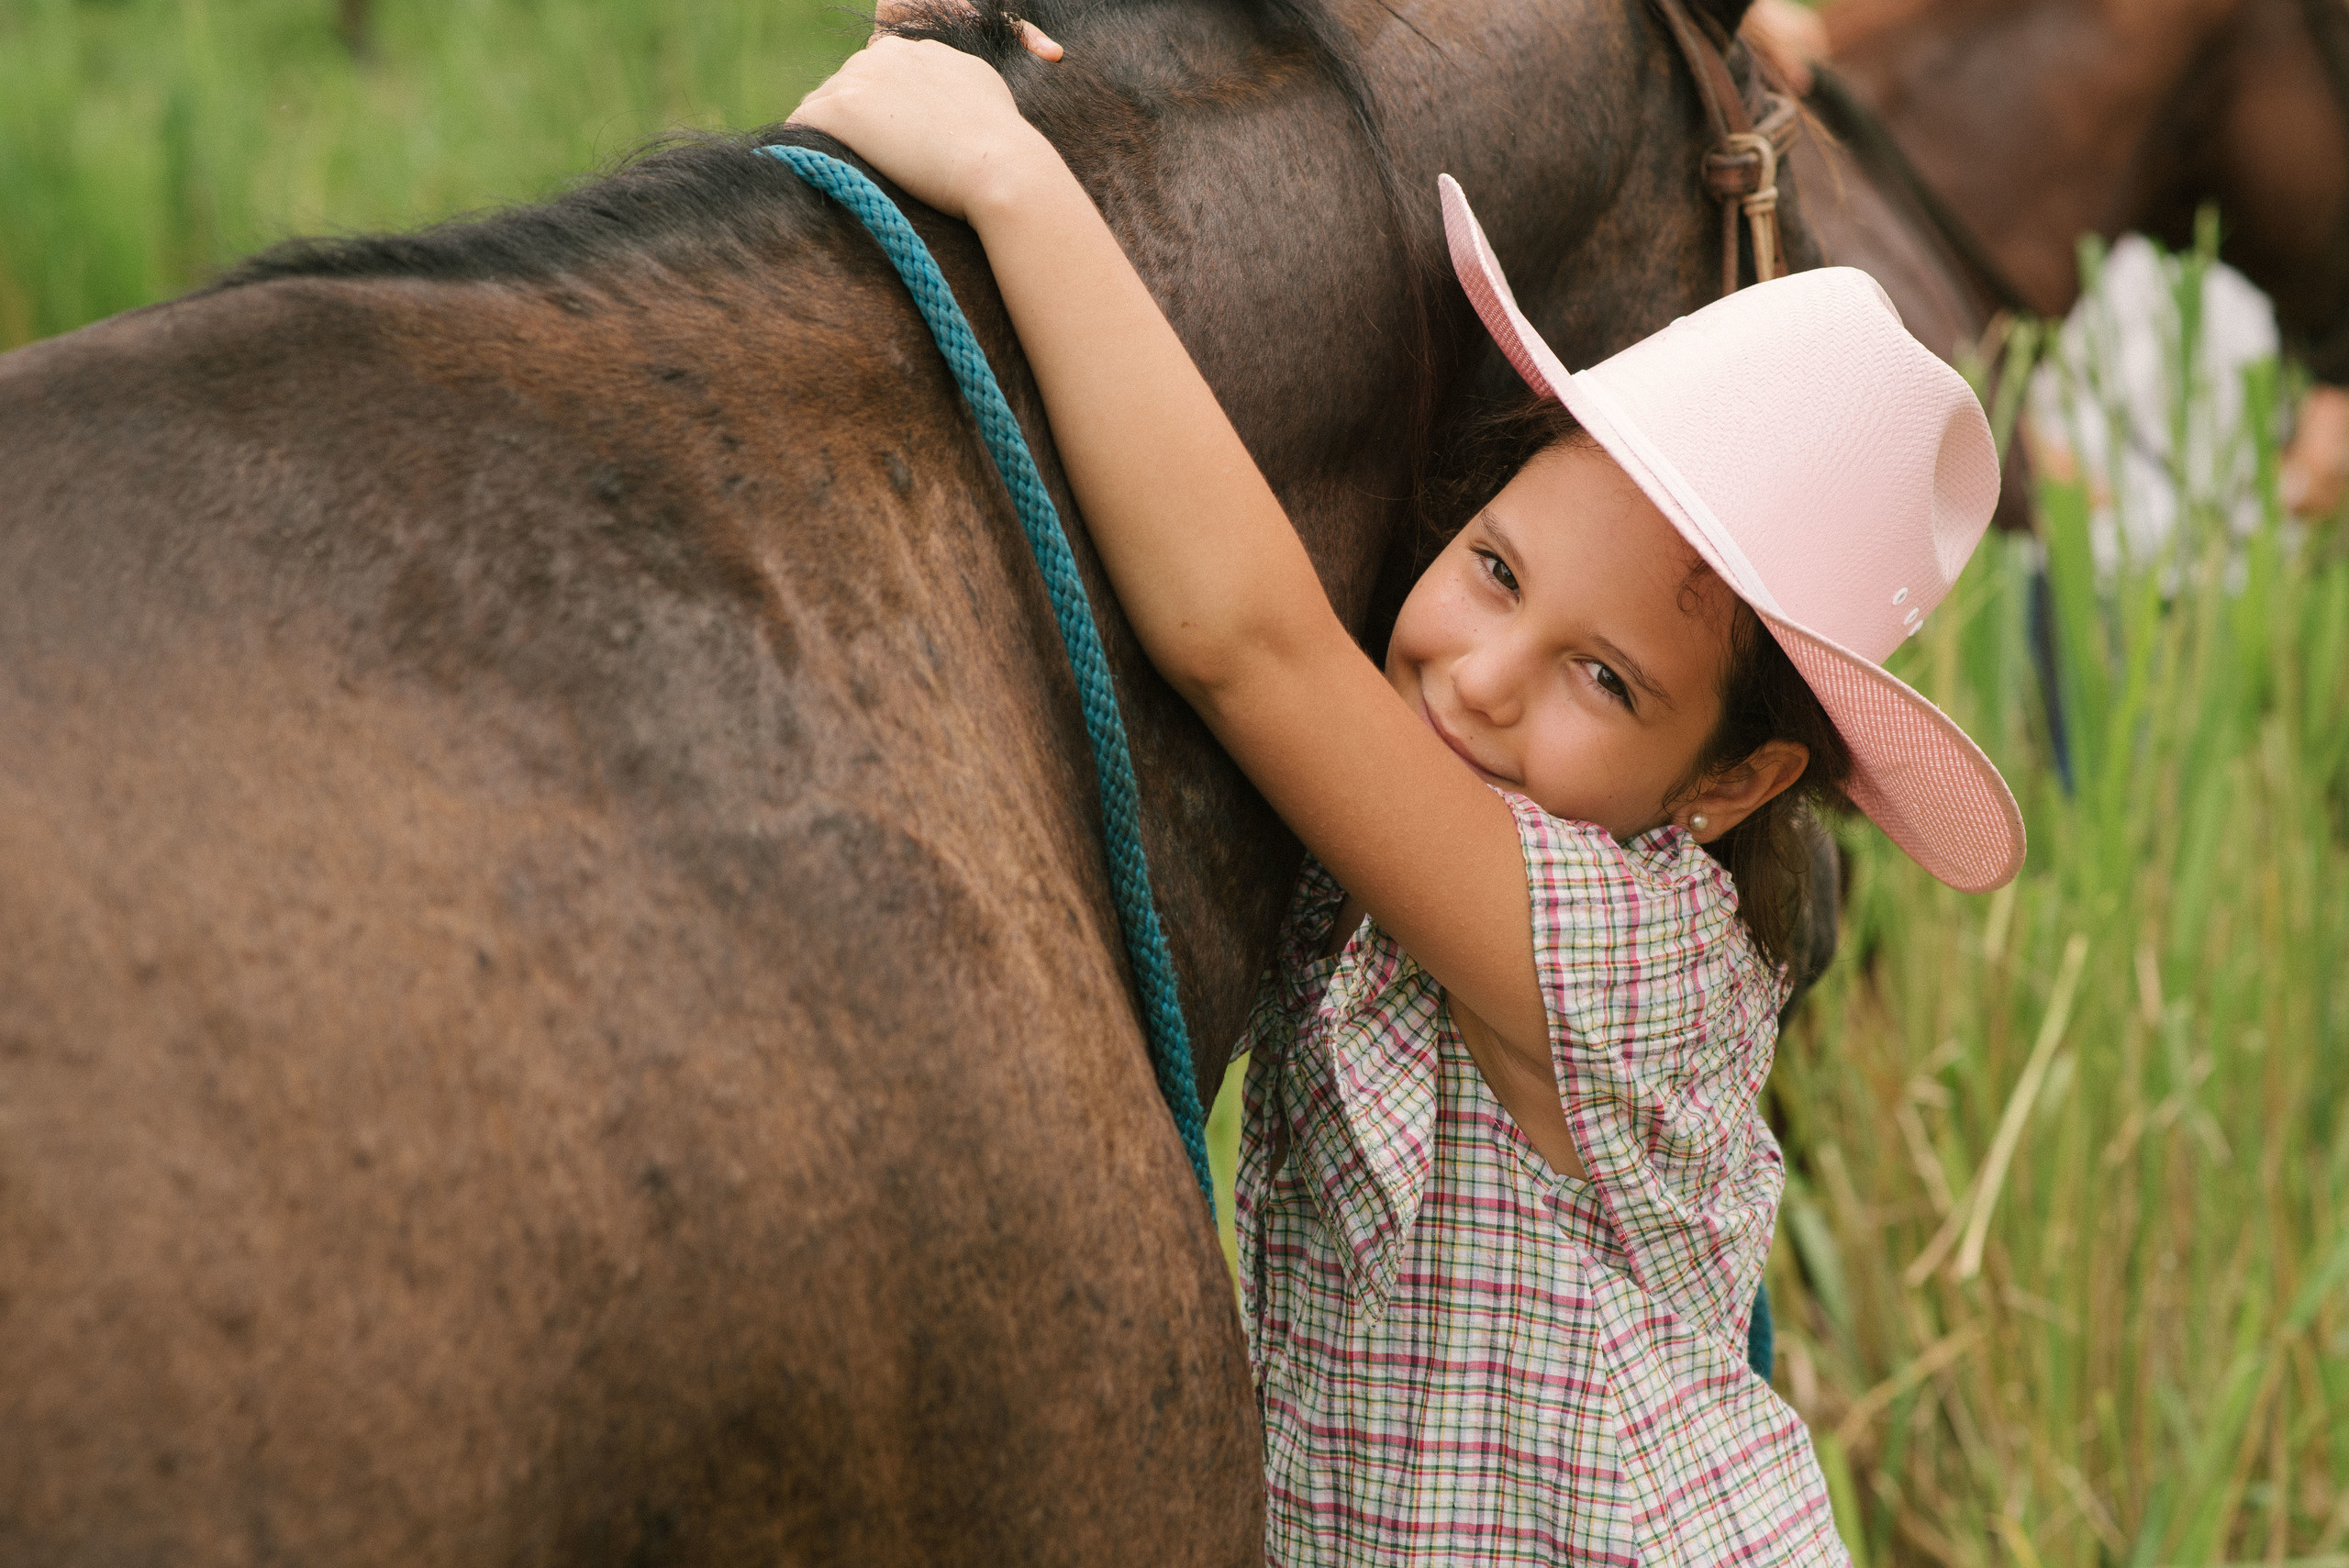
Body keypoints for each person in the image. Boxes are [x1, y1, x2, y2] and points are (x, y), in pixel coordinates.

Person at [793, 19, 2023, 1563]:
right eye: (1497, 567)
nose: (1486, 674)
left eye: (1606, 679)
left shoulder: (1621, 953)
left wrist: (1012, 177)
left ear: (1733, 781)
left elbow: (1253, 645)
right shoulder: (1437, 808)